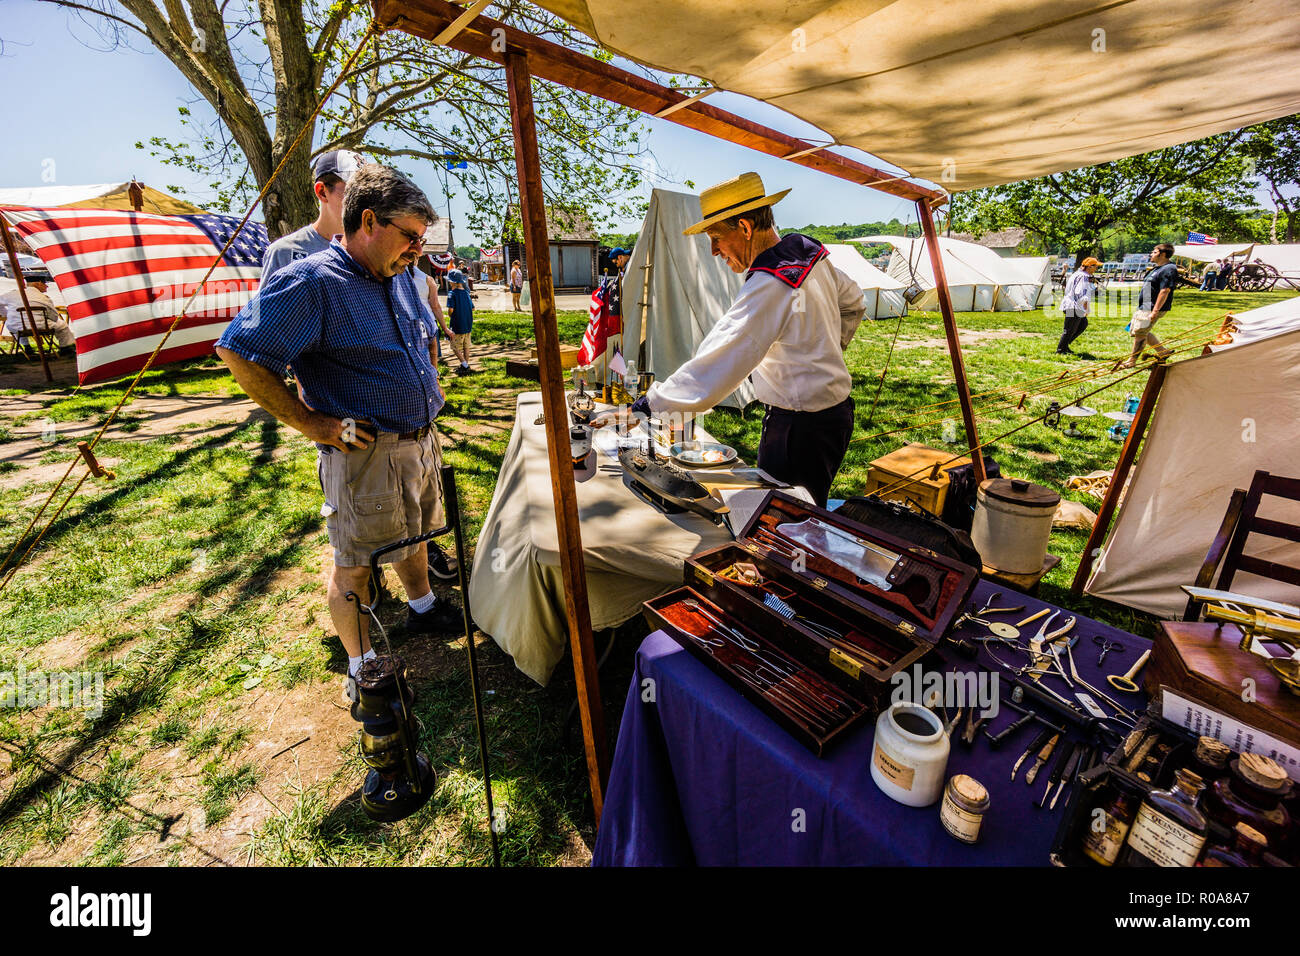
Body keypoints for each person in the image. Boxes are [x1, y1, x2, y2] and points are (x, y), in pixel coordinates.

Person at [215, 164, 462, 707]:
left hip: (418, 441)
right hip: (364, 453)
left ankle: (420, 606)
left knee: (415, 535)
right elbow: (239, 350)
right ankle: (363, 664)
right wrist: (315, 424)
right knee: (356, 560)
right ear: (369, 221)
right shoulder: (311, 281)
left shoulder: (397, 275)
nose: (418, 249)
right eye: (410, 236)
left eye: (422, 239)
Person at [594, 172, 865, 507]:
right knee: (805, 509)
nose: (712, 251)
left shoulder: (773, 282)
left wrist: (648, 406)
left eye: (715, 238)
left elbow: (721, 358)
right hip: (833, 416)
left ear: (745, 227)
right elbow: (854, 301)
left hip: (799, 427)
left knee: (784, 520)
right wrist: (825, 348)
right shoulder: (809, 258)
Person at [261, 150, 366, 278]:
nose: (365, 199)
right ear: (322, 192)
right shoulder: (283, 253)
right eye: (354, 190)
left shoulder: (375, 255)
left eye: (368, 191)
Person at [1121, 242, 1178, 367]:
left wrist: (1155, 311)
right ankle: (1163, 352)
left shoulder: (1169, 269)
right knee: (1138, 331)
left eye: (1154, 252)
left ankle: (1131, 361)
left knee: (1141, 333)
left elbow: (1165, 290)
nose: (1151, 254)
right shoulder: (1157, 268)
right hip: (1145, 306)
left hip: (1152, 307)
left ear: (1163, 254)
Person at [1, 278, 76, 358]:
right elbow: (54, 317)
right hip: (40, 326)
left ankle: (27, 347)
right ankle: (65, 348)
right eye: (45, 283)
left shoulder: (12, 294)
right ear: (38, 283)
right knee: (62, 325)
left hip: (16, 326)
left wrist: (6, 314)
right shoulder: (44, 298)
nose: (47, 286)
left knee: (16, 324)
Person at [1057, 257, 1101, 355]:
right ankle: (1061, 350)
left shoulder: (1077, 274)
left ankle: (1065, 345)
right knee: (1069, 329)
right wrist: (1085, 308)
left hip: (1071, 304)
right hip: (1074, 306)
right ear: (1090, 266)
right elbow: (1081, 293)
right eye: (1095, 267)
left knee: (1082, 324)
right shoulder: (1084, 277)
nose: (1096, 269)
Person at [446, 269, 475, 374]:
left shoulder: (452, 294)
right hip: (468, 324)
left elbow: (451, 310)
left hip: (457, 325)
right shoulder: (466, 293)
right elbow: (473, 308)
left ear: (452, 282)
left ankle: (464, 364)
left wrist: (450, 315)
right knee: (466, 345)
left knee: (454, 346)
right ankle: (465, 365)